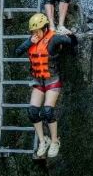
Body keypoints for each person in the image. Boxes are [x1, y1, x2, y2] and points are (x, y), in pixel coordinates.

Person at [14, 13, 77, 159]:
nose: (35, 34)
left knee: (48, 112)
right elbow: (17, 52)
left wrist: (71, 35)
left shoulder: (54, 38)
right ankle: (43, 141)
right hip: (38, 82)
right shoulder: (32, 39)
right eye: (32, 32)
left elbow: (72, 43)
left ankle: (55, 141)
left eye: (37, 31)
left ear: (45, 28)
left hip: (52, 80)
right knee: (32, 112)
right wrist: (29, 42)